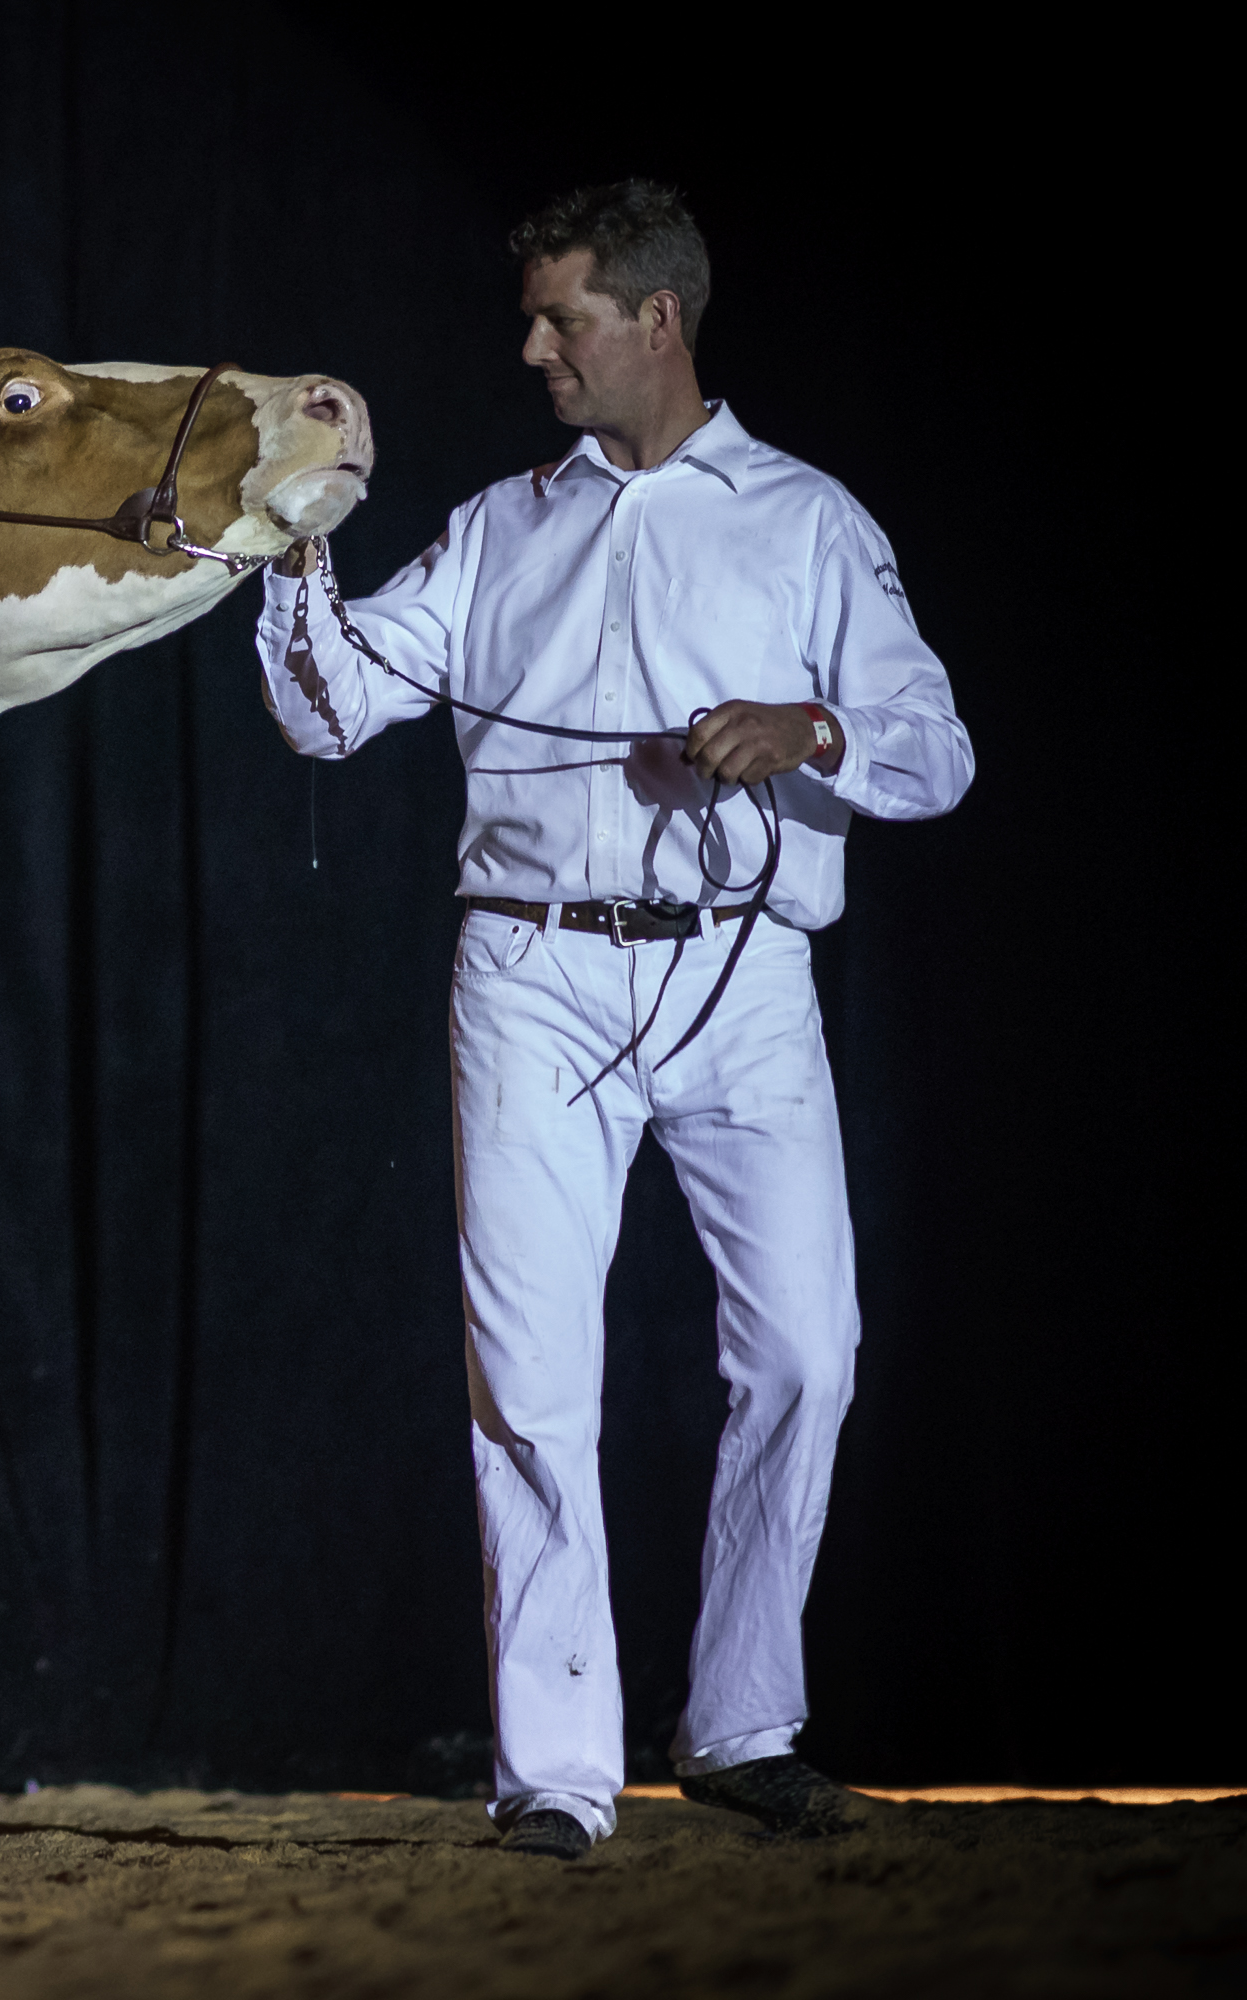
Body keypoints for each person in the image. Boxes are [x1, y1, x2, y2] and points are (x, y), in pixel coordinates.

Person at [255, 180, 973, 1860]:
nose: (532, 349)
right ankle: (558, 1775)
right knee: (531, 1379)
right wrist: (294, 553)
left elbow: (938, 749)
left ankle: (740, 1728)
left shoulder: (807, 519)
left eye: (560, 318)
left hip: (742, 976)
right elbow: (329, 711)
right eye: (530, 318)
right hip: (531, 976)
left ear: (658, 317)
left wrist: (811, 730)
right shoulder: (500, 526)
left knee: (805, 1352)